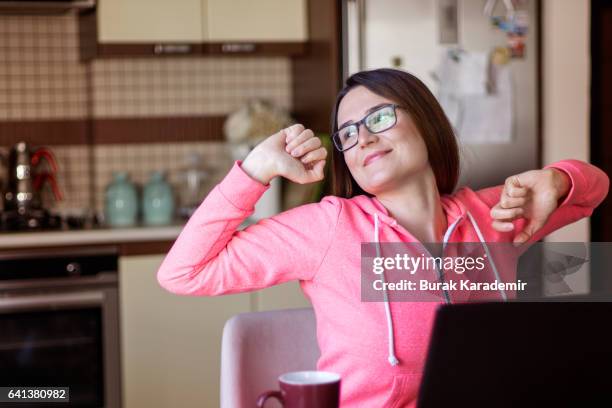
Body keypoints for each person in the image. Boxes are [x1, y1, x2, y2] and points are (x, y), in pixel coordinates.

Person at [157, 68, 609, 407]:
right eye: (348, 134)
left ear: (426, 122)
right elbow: (183, 272)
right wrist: (254, 171)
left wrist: (558, 180)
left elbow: (594, 189)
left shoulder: (492, 215)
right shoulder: (327, 228)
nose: (364, 139)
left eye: (379, 117)